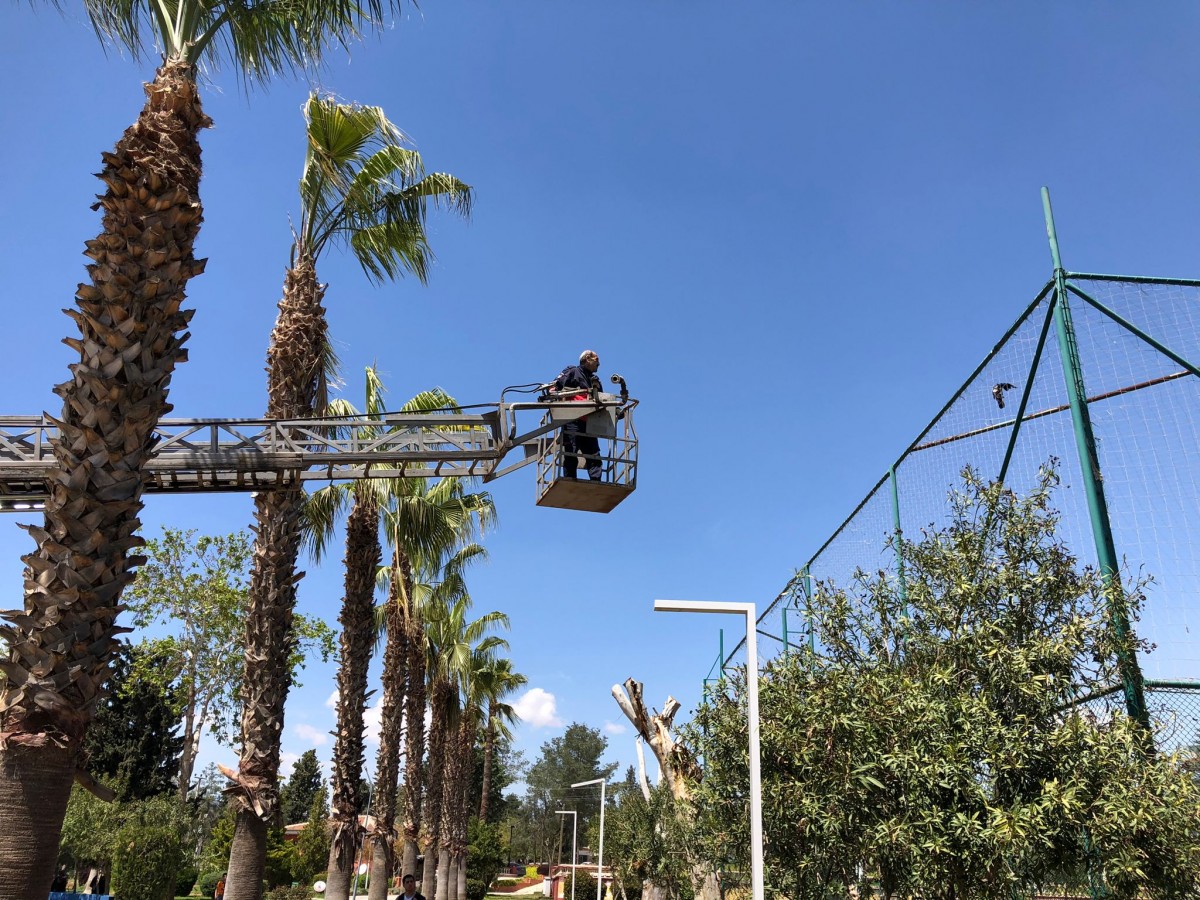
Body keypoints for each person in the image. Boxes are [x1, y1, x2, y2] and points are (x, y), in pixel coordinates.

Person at [553, 349, 603, 482]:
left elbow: (603, 400)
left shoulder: (595, 380)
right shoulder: (573, 371)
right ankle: (570, 480)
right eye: (597, 359)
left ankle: (596, 482)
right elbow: (555, 387)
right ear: (587, 359)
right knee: (570, 452)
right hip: (572, 420)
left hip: (589, 422)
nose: (599, 363)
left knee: (594, 455)